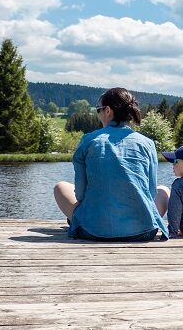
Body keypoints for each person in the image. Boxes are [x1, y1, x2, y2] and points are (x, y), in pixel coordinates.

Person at [54, 87, 169, 241]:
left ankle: (82, 220)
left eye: (98, 110)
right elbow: (151, 192)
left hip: (94, 230)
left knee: (60, 187)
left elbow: (80, 195)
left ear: (108, 111)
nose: (98, 114)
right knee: (164, 190)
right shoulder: (147, 143)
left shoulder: (88, 140)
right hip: (143, 231)